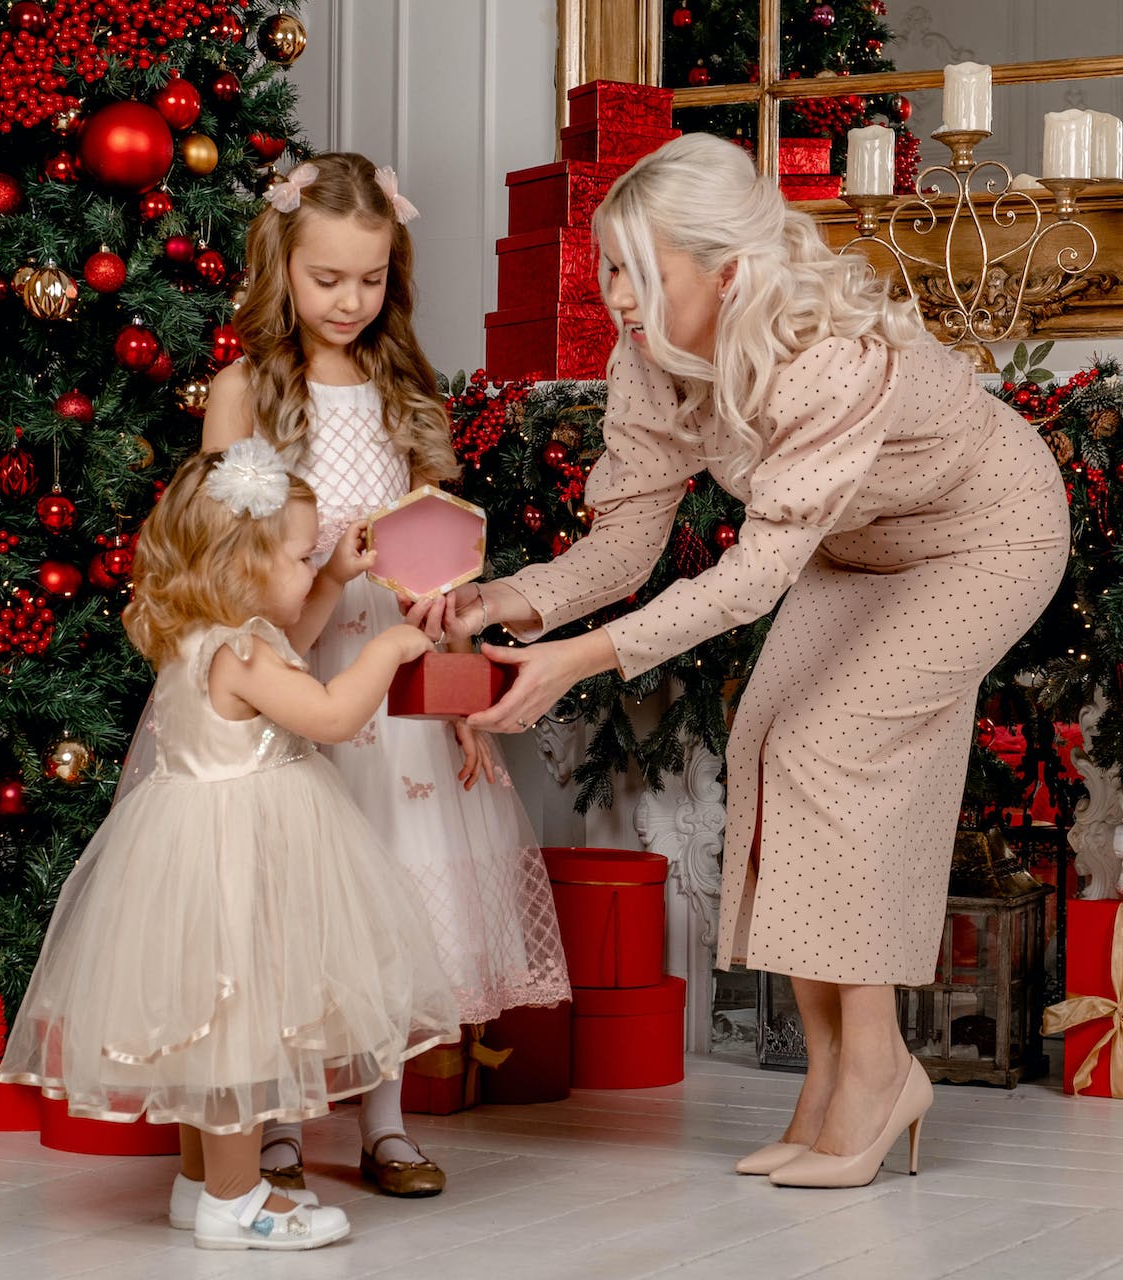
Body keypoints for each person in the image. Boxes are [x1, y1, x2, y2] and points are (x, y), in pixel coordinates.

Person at [414, 134, 1069, 1189]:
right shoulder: (653, 359)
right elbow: (627, 542)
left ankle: (881, 1067)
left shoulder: (826, 356)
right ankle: (827, 1081)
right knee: (770, 745)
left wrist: (583, 656)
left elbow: (754, 578)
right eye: (610, 269)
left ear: (725, 267)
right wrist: (508, 600)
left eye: (640, 270)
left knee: (828, 745)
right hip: (852, 549)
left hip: (987, 535)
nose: (617, 296)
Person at [200, 152, 571, 1197]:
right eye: (328, 280)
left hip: (398, 678)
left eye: (369, 280)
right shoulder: (243, 395)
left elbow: (443, 565)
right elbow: (227, 563)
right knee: (285, 895)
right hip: (294, 667)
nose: (349, 301)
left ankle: (386, 1119)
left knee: (399, 887)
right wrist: (323, 565)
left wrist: (455, 691)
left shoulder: (405, 395)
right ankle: (274, 1125)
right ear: (282, 268)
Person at [0, 439, 459, 1249]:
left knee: (203, 1032)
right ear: (240, 564)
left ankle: (199, 1185)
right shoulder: (241, 651)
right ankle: (237, 1201)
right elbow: (329, 714)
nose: (307, 565)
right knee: (240, 1033)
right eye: (296, 554)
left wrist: (330, 580)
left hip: (198, 849)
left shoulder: (209, 636)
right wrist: (387, 649)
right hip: (240, 857)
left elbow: (294, 630)